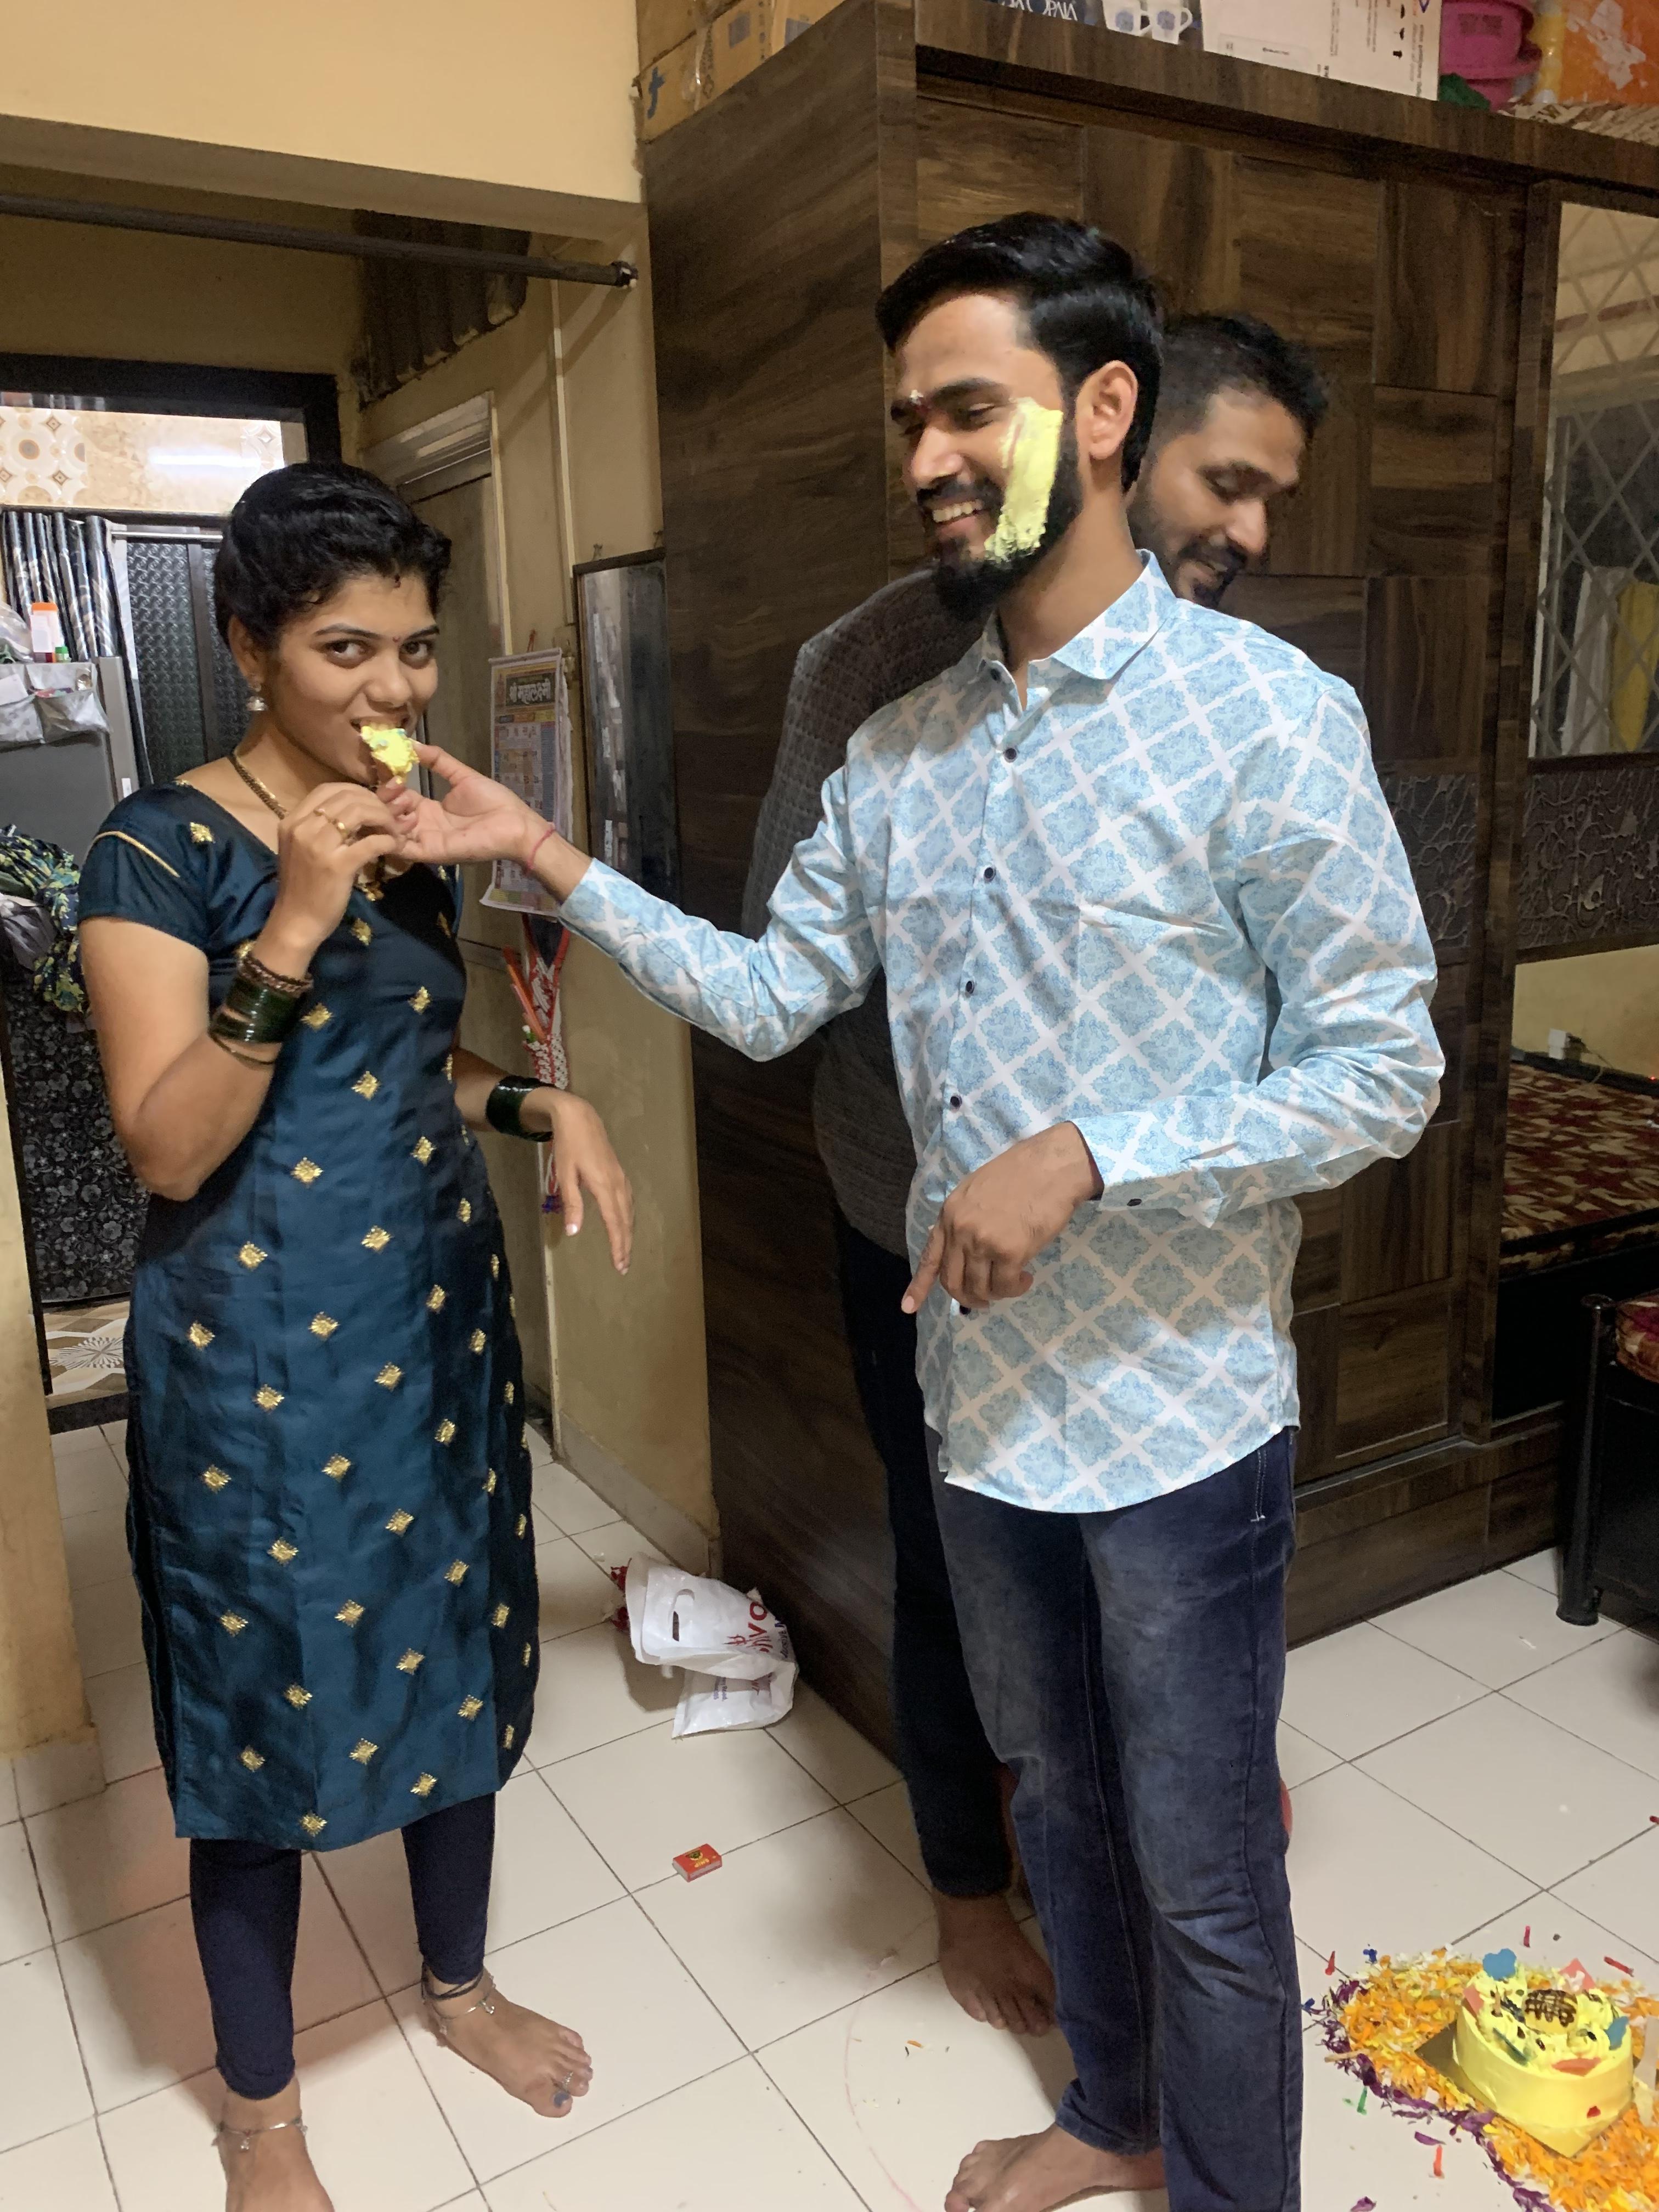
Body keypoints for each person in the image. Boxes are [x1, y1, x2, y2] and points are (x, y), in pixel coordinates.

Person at [386, 213, 1441, 2212]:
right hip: (983, 1412)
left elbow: (1387, 1075)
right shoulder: (898, 752)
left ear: (1106, 409)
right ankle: (1114, 2113)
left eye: (971, 409)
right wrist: (542, 850)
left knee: (1209, 1868)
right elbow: (773, 993)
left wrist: (1096, 1150)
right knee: (1063, 1806)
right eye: (910, 423)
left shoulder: (1272, 720)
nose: (930, 458)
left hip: (1184, 1421)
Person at [741, 307, 1328, 2040]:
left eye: (1271, 499)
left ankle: (1167, 1844)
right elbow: (792, 956)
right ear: (1113, 446)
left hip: (1156, 1224)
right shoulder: (875, 668)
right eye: (1225, 485)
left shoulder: (1237, 682)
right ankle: (965, 1885)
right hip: (922, 1215)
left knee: (1167, 1561)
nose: (1249, 534)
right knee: (959, 1560)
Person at [78, 462, 634, 2212]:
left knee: (456, 1653)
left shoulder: (409, 829)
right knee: (261, 1717)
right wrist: (296, 925)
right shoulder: (154, 851)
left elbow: (410, 1068)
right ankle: (260, 2113)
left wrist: (547, 1106)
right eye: (345, 649)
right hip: (253, 1361)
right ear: (249, 646)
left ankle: (456, 1986)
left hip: (433, 1328)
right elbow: (169, 1145)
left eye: (413, 647)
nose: (393, 688)